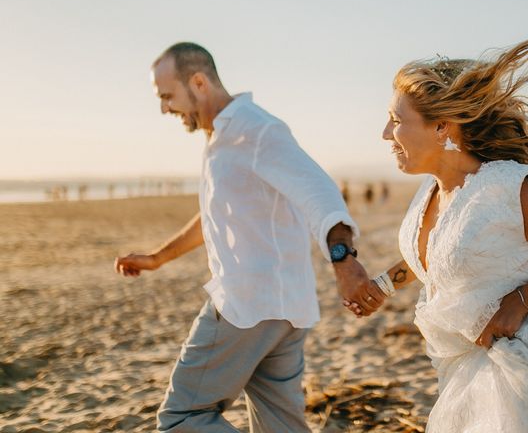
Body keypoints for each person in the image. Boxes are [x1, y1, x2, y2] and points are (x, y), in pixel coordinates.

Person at [348, 19, 528, 431]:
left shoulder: (510, 191)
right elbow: (445, 255)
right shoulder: (430, 190)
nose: (384, 134)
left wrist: (520, 302)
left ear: (441, 126)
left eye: (396, 120)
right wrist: (384, 284)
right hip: (463, 368)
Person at [113, 43, 385, 432]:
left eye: (167, 96)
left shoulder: (255, 130)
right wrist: (158, 258)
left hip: (247, 304)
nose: (164, 108)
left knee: (181, 418)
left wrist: (343, 260)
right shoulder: (220, 137)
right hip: (285, 308)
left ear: (199, 82)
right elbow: (214, 214)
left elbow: (319, 190)